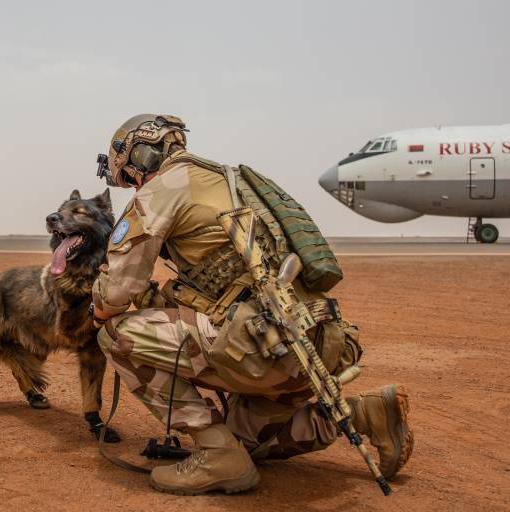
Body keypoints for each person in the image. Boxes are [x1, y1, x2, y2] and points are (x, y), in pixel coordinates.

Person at [90, 114, 413, 495]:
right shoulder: (235, 180)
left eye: (129, 176)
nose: (133, 185)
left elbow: (115, 292)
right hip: (318, 346)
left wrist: (98, 312)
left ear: (141, 155)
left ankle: (214, 455)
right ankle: (364, 413)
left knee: (117, 336)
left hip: (264, 351)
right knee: (243, 442)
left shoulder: (163, 188)